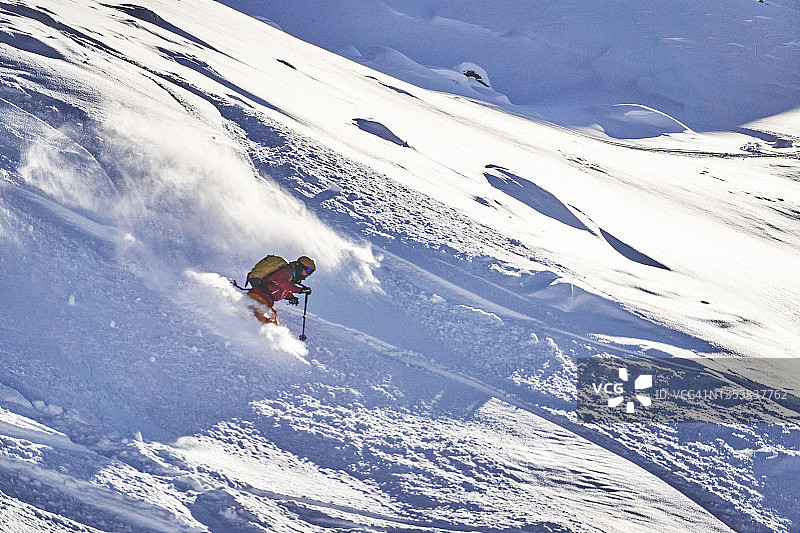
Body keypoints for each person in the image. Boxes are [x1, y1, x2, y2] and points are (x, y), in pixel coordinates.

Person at [246, 255, 315, 325]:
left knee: (272, 318)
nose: (308, 274)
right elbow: (283, 283)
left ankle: (272, 335)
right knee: (262, 319)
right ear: (300, 267)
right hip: (257, 297)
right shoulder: (286, 271)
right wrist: (300, 290)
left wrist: (291, 297)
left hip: (265, 301)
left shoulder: (290, 278)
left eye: (311, 272)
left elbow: (282, 289)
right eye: (308, 270)